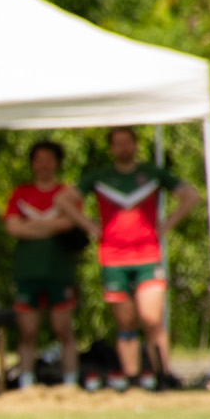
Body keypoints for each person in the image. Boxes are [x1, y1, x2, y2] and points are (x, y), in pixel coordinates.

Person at [79, 126, 201, 392]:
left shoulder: (152, 174)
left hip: (147, 255)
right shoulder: (101, 177)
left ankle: (164, 373)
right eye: (118, 143)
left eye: (128, 142)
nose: (123, 148)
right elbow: (65, 199)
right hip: (113, 257)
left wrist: (166, 225)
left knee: (151, 317)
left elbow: (191, 196)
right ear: (111, 148)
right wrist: (91, 226)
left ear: (135, 145)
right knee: (125, 321)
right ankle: (132, 379)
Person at [2, 140, 90, 388]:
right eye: (38, 159)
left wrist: (31, 227)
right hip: (27, 272)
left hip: (58, 271)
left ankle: (70, 382)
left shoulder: (66, 194)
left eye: (49, 159)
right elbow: (12, 227)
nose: (43, 165)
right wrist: (48, 227)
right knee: (27, 331)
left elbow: (68, 224)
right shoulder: (21, 193)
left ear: (57, 163)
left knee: (63, 329)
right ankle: (26, 381)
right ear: (32, 163)